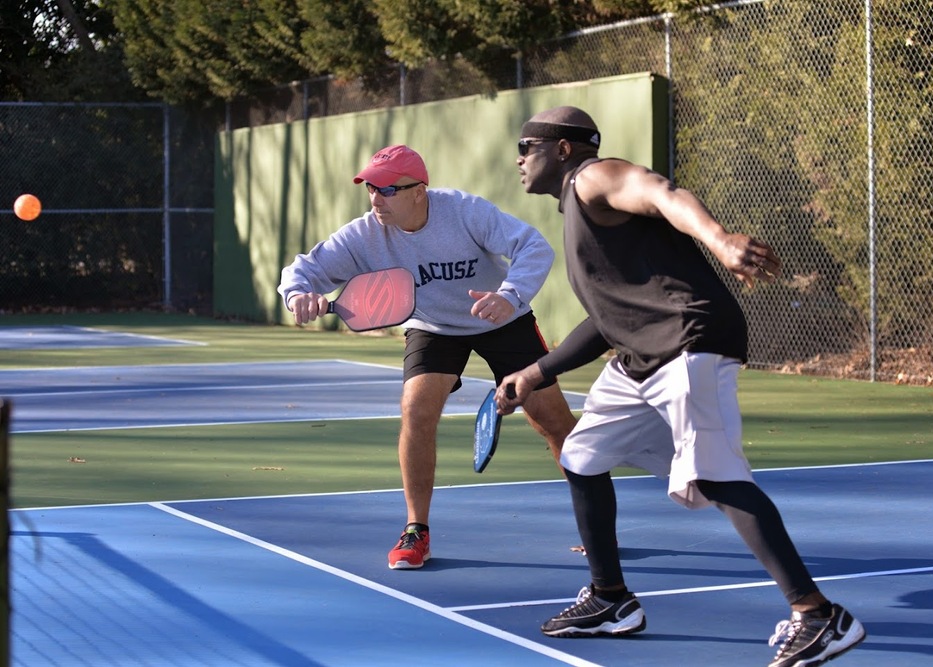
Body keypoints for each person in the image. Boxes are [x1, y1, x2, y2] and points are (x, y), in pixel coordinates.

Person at [496, 107, 866, 667]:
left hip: (687, 340)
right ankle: (610, 600)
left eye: (527, 145)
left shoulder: (592, 177)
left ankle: (819, 615)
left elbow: (659, 190)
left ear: (565, 149)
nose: (519, 158)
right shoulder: (581, 215)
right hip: (639, 356)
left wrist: (718, 240)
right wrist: (536, 373)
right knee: (582, 454)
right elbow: (607, 320)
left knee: (717, 475)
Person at [278, 144, 577, 570]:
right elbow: (304, 269)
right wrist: (298, 294)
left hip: (501, 318)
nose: (376, 198)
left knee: (553, 422)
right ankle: (416, 530)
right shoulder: (364, 234)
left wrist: (510, 295)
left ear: (419, 190)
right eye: (370, 189)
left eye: (387, 190)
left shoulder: (464, 211)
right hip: (432, 326)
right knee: (416, 410)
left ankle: (594, 519)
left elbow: (533, 245)